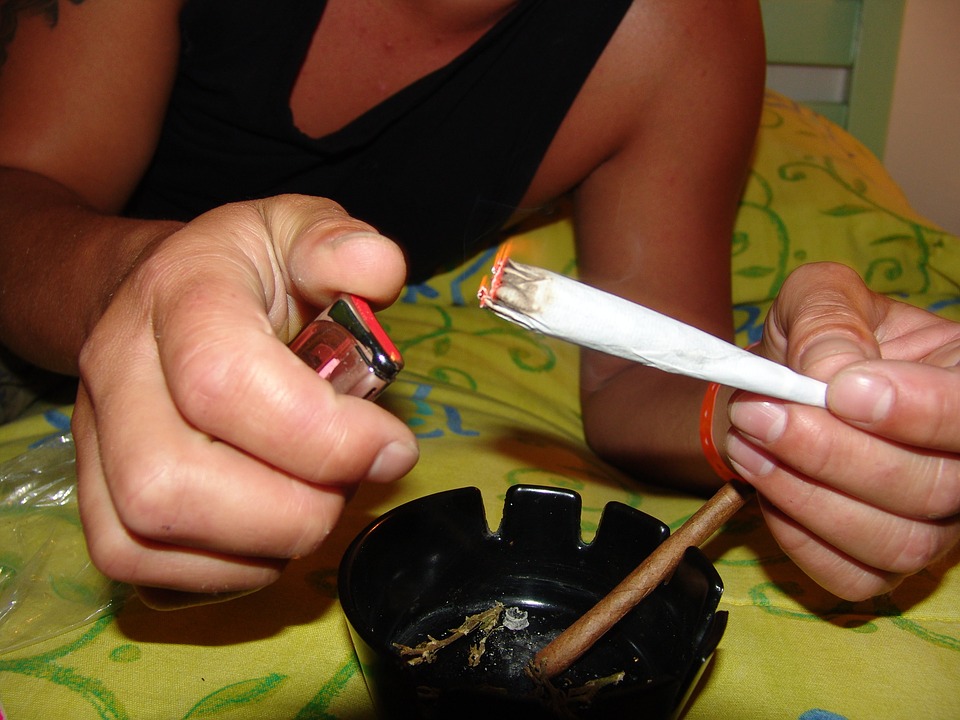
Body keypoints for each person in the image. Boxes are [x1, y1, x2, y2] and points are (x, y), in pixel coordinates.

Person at [0, 0, 956, 606]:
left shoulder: (682, 31)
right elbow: (21, 192)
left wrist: (773, 409)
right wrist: (142, 278)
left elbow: (634, 386)